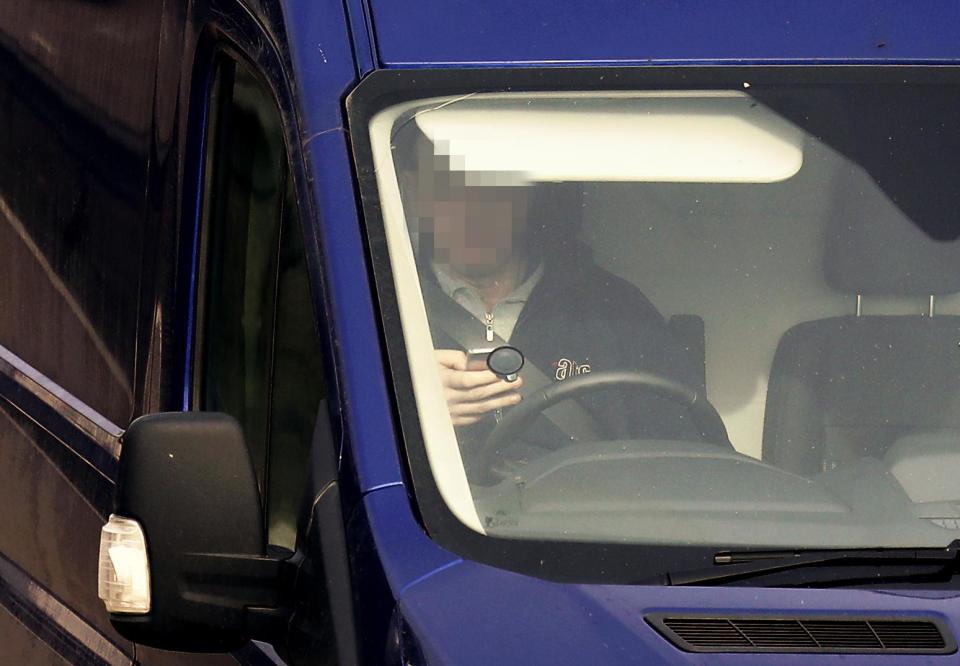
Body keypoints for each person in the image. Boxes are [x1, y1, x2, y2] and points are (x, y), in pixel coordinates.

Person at [395, 125, 705, 473]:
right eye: (448, 182)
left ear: (527, 191)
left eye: (492, 182)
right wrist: (403, 411)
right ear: (412, 189)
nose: (472, 204)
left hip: (585, 520)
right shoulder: (381, 309)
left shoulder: (616, 312)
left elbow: (691, 468)